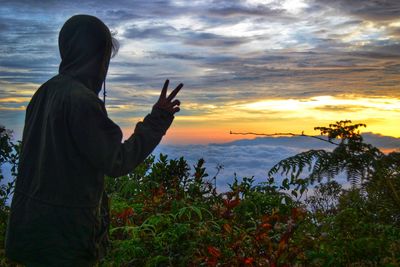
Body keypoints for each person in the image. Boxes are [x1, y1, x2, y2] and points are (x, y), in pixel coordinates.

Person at [5, 14, 183, 266]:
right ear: (97, 58)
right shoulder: (82, 101)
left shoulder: (44, 92)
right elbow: (117, 162)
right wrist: (158, 120)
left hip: (28, 233)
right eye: (105, 56)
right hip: (63, 242)